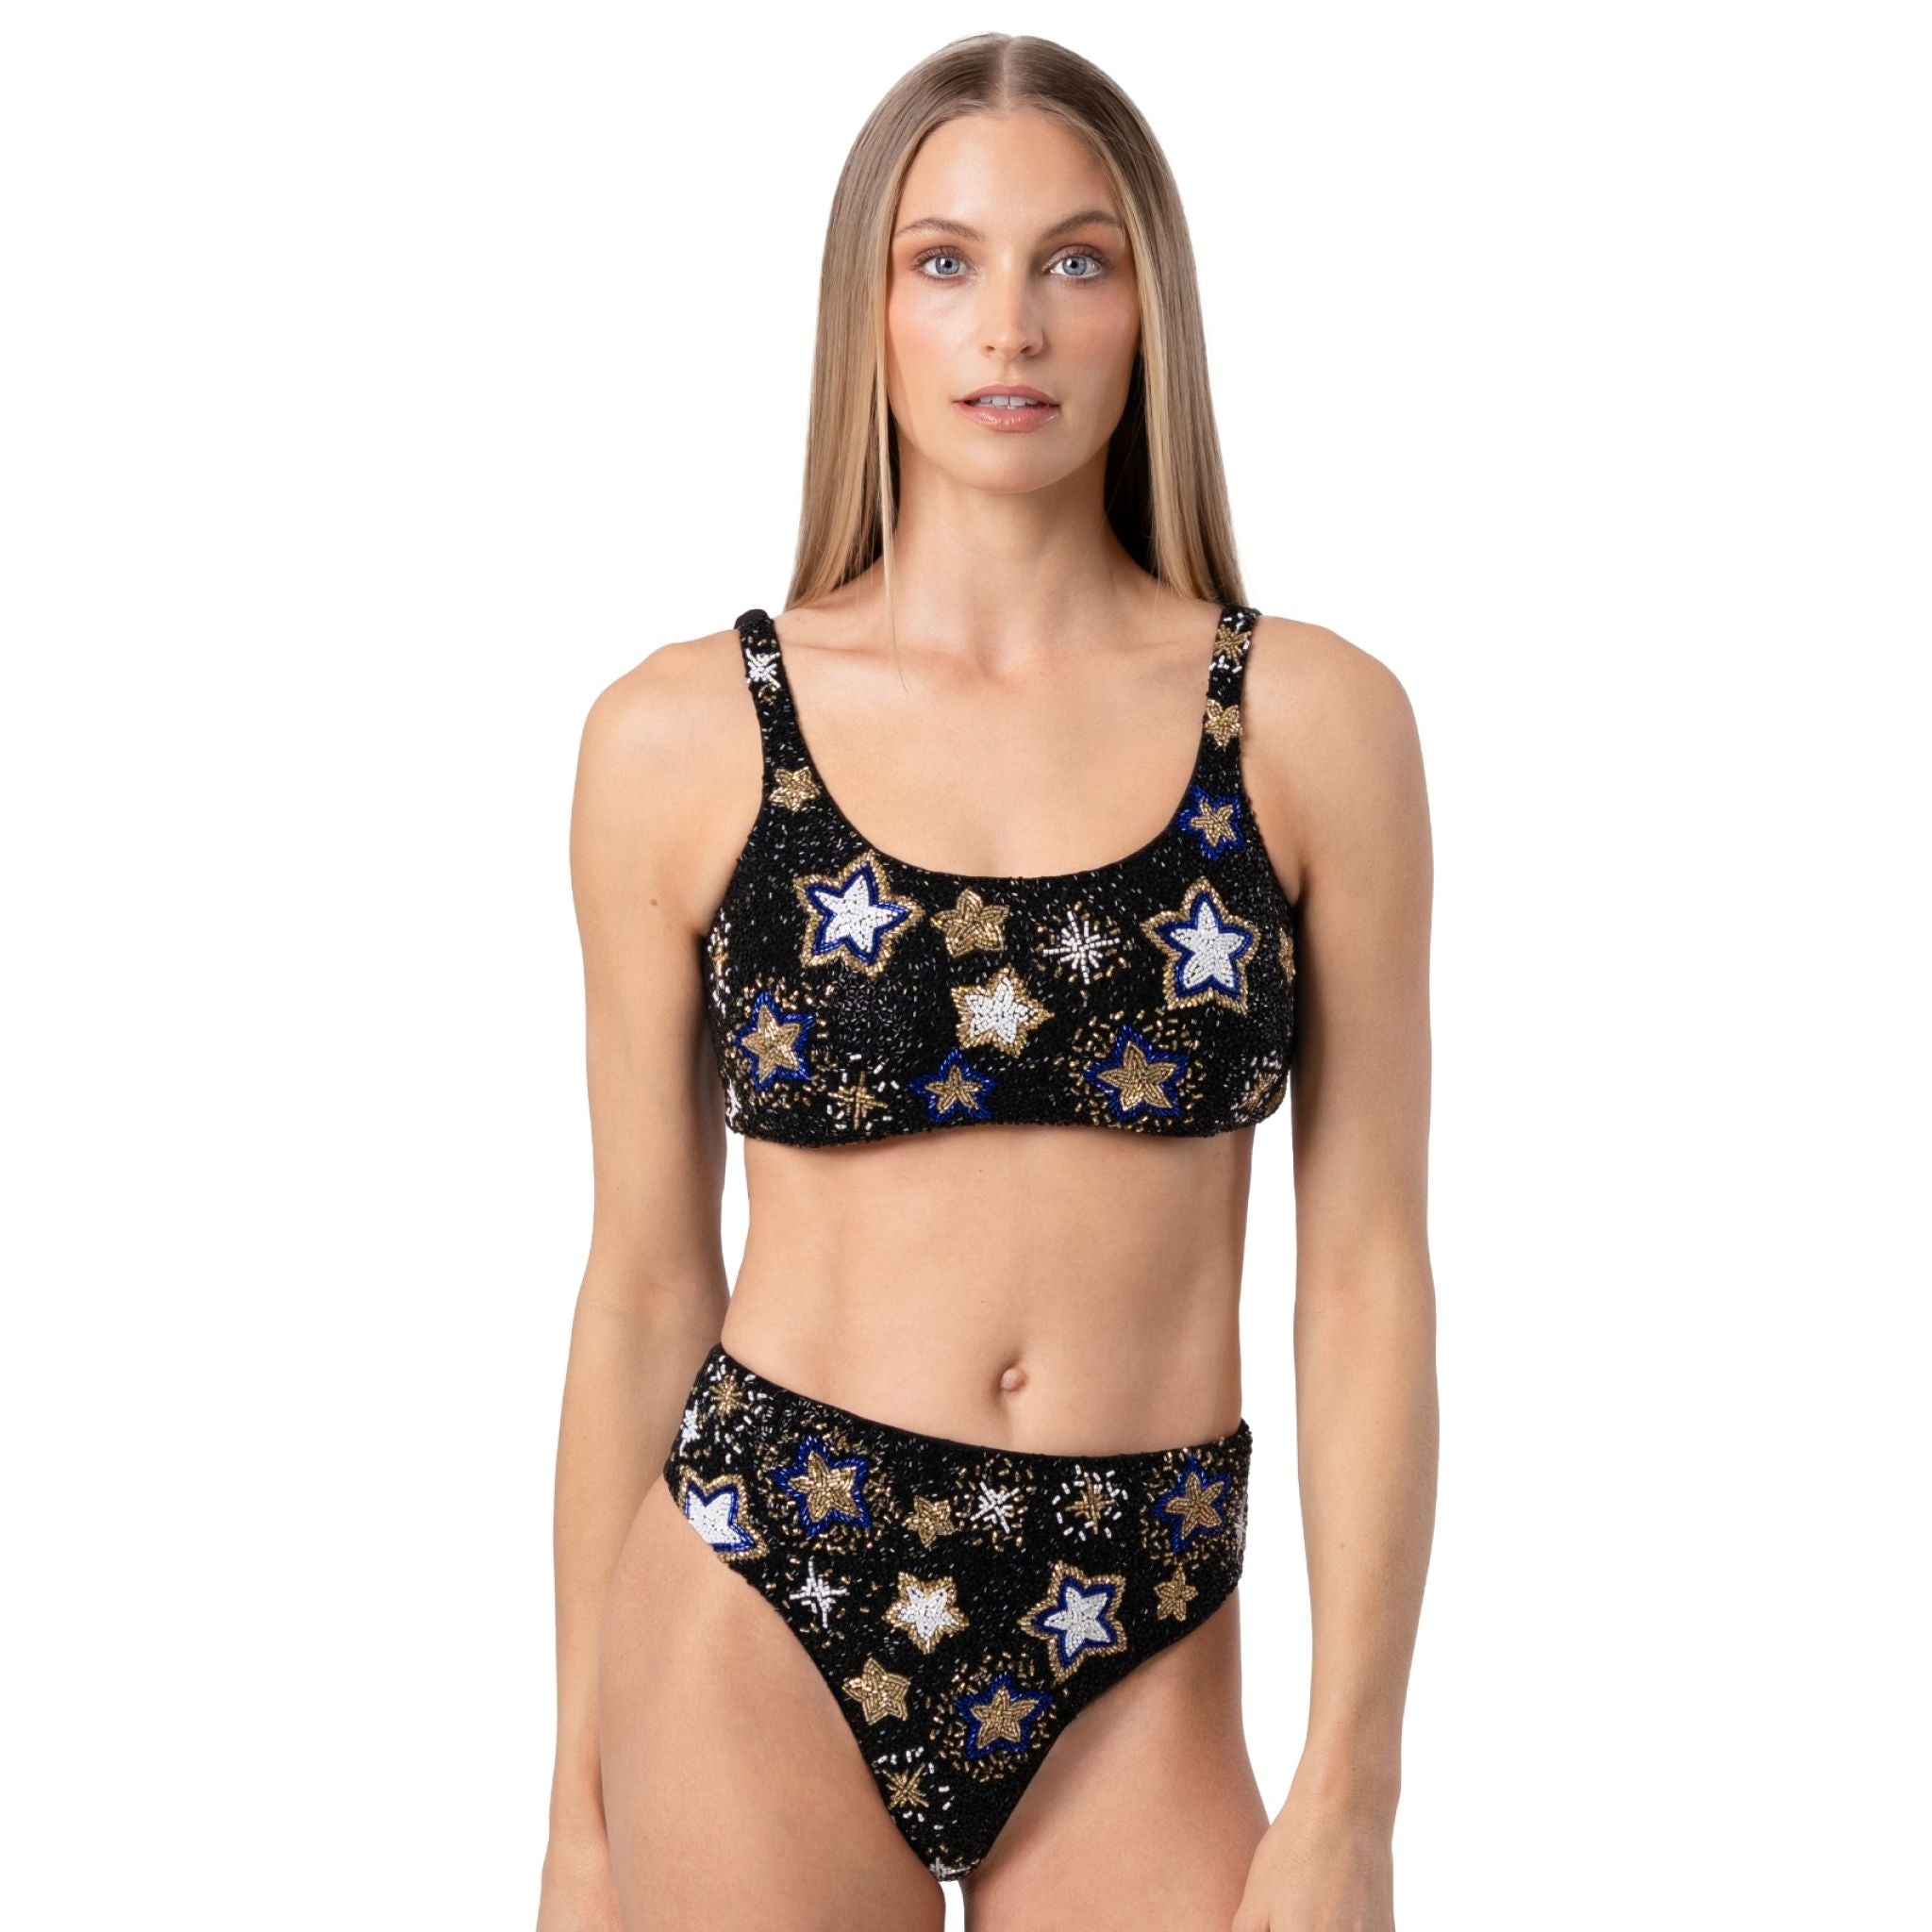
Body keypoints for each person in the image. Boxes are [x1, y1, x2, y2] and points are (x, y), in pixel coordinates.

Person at [538, 32, 1436, 1932]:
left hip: (1143, 1623)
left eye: (1073, 261)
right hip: (763, 1593)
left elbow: (1363, 1277)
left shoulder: (1311, 726)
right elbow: (642, 1281)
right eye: (943, 260)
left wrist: (1353, 1786)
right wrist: (578, 1829)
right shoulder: (684, 739)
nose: (1009, 325)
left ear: (1148, 308)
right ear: (865, 309)